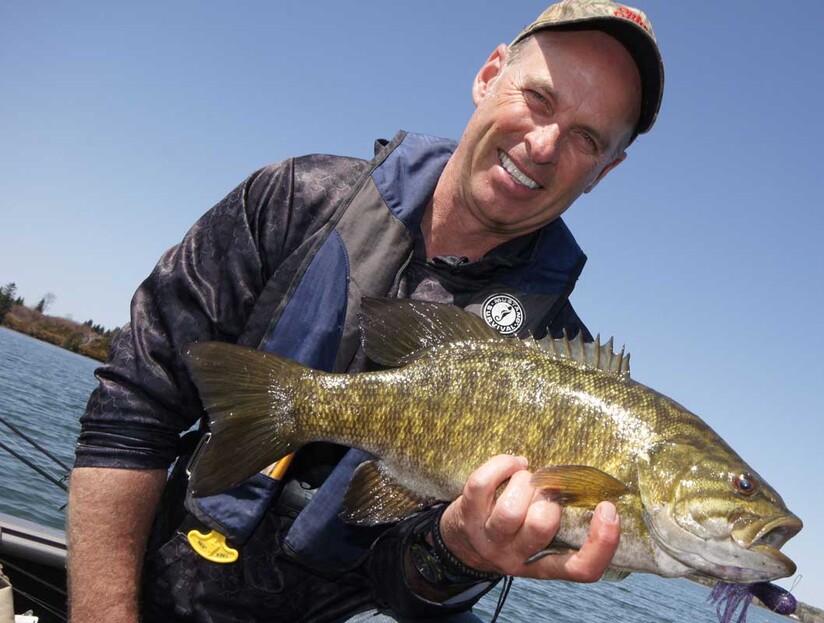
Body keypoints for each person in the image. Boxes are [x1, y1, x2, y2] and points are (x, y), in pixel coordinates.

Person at [67, 1, 665, 621]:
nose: (544, 145)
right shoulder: (296, 199)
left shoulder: (556, 350)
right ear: (489, 76)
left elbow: (404, 584)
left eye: (588, 137)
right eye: (540, 98)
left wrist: (457, 551)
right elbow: (133, 410)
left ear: (605, 169)